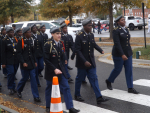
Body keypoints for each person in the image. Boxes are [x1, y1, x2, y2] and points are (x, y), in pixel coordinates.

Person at [44, 27, 80, 113]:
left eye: (60, 33)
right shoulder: (48, 44)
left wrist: (64, 59)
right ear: (52, 34)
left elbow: (63, 52)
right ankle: (48, 107)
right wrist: (54, 69)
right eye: (57, 33)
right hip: (51, 71)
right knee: (50, 89)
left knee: (66, 88)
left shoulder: (61, 43)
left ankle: (70, 107)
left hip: (61, 70)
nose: (59, 35)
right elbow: (46, 59)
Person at [74, 18, 108, 104]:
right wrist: (84, 61)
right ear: (84, 26)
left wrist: (101, 50)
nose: (91, 27)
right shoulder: (79, 36)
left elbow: (93, 44)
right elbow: (77, 50)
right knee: (79, 78)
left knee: (94, 78)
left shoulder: (91, 35)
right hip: (82, 62)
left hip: (91, 61)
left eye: (91, 25)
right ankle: (77, 94)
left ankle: (99, 97)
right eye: (89, 26)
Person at [105, 16, 139, 94]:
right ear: (118, 22)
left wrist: (129, 52)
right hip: (118, 54)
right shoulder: (116, 31)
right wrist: (122, 54)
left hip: (128, 53)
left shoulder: (126, 29)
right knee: (118, 69)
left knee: (129, 70)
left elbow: (127, 42)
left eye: (124, 20)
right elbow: (117, 44)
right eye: (122, 20)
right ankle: (109, 80)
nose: (124, 21)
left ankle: (130, 87)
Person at [16, 27, 41, 102]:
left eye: (30, 32)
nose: (30, 33)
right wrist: (23, 62)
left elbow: (33, 52)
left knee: (33, 79)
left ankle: (36, 96)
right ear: (24, 33)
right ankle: (19, 90)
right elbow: (19, 53)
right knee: (25, 78)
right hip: (25, 64)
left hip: (32, 63)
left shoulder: (31, 40)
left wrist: (35, 61)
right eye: (29, 32)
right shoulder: (21, 41)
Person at [1, 27, 19, 95]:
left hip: (15, 60)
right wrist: (3, 63)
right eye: (11, 32)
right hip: (8, 60)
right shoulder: (4, 40)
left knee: (13, 74)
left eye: (13, 32)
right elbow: (3, 52)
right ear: (7, 33)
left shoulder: (15, 39)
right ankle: (10, 88)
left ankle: (13, 87)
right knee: (10, 73)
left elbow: (16, 49)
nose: (12, 33)